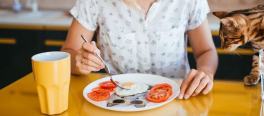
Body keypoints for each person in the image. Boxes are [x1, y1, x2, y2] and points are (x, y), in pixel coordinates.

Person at [61, 0, 218, 99]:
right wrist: (78, 61)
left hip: (176, 99)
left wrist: (205, 72)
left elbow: (206, 51)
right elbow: (68, 52)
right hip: (116, 103)